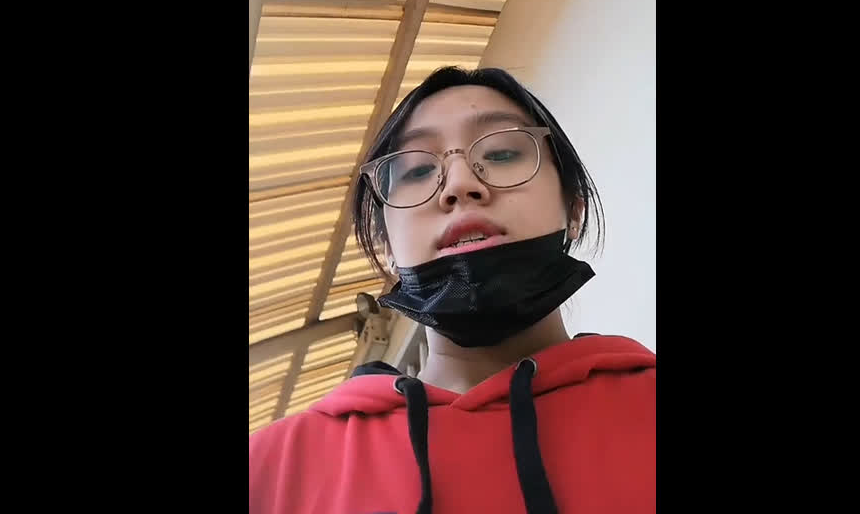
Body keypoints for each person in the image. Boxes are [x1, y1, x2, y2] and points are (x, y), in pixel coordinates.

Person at [249, 67, 656, 514]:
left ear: (574, 209)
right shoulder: (270, 471)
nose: (461, 184)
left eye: (502, 153)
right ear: (387, 250)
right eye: (419, 170)